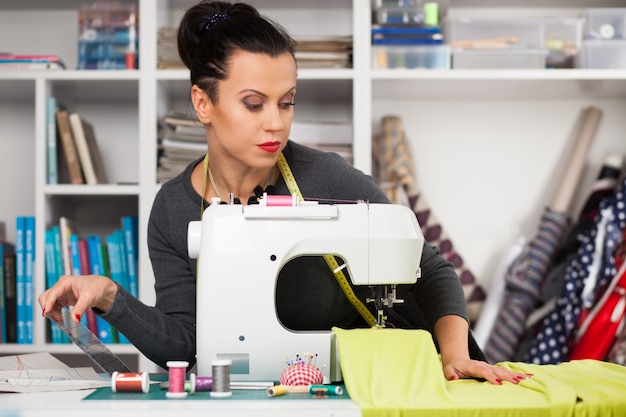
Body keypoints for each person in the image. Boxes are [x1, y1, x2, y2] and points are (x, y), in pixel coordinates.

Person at [39, 0, 529, 386]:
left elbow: (432, 269)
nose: (275, 122)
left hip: (414, 370)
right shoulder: (172, 209)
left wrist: (455, 355)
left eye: (287, 102)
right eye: (253, 104)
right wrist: (110, 296)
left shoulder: (328, 179)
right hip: (290, 390)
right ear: (203, 103)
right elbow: (187, 346)